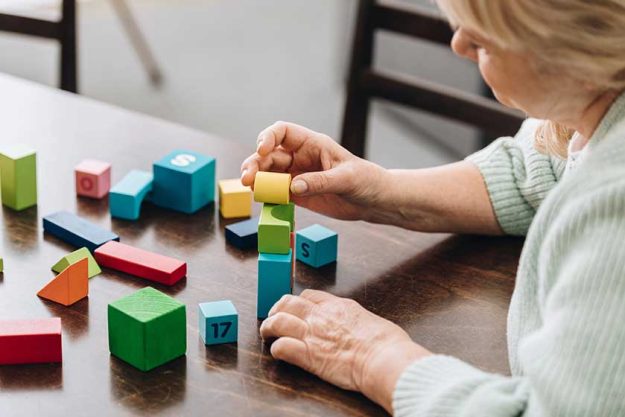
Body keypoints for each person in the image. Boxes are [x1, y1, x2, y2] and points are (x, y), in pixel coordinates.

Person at [240, 1, 625, 415]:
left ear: (576, 45)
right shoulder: (596, 99)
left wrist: (374, 356)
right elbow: (537, 171)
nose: (458, 44)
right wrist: (379, 190)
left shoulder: (613, 212)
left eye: (483, 42)